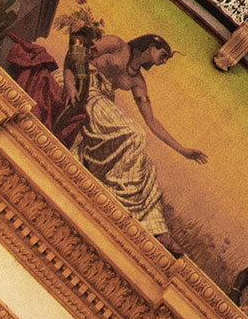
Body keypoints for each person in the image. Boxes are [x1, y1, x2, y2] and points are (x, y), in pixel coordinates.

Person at [59, 16, 205, 239]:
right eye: (163, 55)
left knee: (147, 165)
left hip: (101, 102)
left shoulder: (138, 81)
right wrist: (70, 84)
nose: (164, 61)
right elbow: (76, 53)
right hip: (84, 86)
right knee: (133, 133)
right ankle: (112, 196)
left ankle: (155, 228)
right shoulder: (117, 45)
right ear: (151, 46)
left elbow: (152, 121)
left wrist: (183, 150)